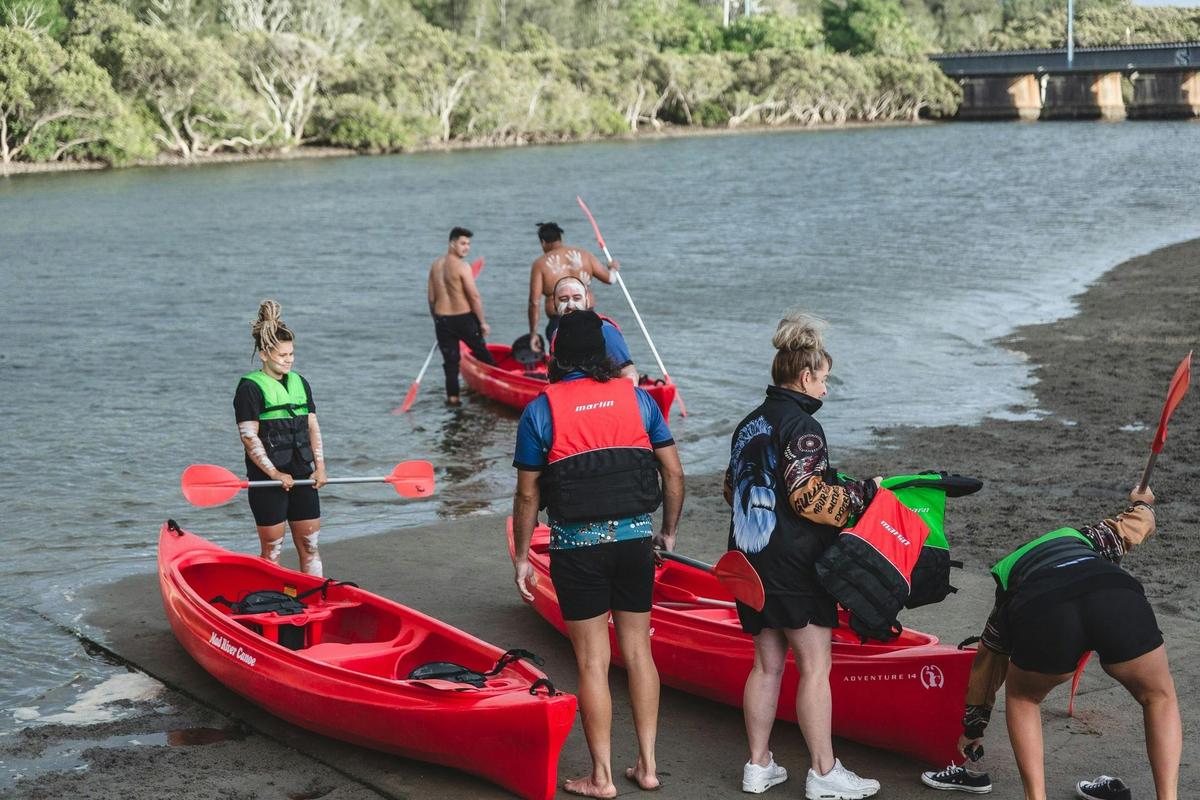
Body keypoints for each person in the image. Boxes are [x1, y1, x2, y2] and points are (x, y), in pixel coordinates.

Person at [510, 309, 685, 799]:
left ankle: (602, 777)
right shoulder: (638, 399)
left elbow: (527, 496)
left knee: (593, 663)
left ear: (558, 353)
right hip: (634, 544)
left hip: (577, 550)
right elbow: (673, 474)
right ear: (606, 355)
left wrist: (522, 557)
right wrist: (666, 534)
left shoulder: (541, 409)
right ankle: (648, 767)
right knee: (639, 652)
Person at [920, 486, 1179, 800]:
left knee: (1024, 699)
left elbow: (990, 660)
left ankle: (1037, 796)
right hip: (1114, 594)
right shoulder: (1087, 537)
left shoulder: (1009, 574)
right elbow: (1139, 524)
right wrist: (1143, 502)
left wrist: (974, 728)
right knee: (1159, 698)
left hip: (1045, 608)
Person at [724, 311, 881, 799]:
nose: (827, 390)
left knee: (766, 665)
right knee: (815, 667)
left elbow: (733, 489)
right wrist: (861, 497)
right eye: (825, 380)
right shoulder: (804, 428)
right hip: (795, 566)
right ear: (806, 376)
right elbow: (809, 499)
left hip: (749, 560)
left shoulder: (748, 424)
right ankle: (823, 772)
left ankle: (758, 766)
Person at [234, 300, 327, 576]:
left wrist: (320, 467)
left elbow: (313, 427)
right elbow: (249, 438)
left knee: (310, 546)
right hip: (267, 481)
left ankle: (314, 597)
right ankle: (271, 602)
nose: (289, 360)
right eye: (282, 355)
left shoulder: (301, 383)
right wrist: (274, 473)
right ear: (264, 355)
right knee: (272, 551)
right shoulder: (250, 389)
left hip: (302, 475)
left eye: (291, 354)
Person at [428, 226, 494, 406]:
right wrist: (482, 322)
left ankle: (453, 399)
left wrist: (437, 320)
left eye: (469, 244)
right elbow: (474, 296)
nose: (467, 248)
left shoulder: (435, 266)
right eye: (463, 243)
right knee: (483, 354)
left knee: (451, 363)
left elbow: (432, 298)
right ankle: (498, 388)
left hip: (442, 319)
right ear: (452, 243)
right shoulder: (462, 266)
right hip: (463, 319)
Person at [528, 221, 616, 351]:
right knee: (591, 354)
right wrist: (612, 268)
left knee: (563, 359)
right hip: (588, 317)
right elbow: (610, 279)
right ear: (560, 238)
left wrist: (533, 333)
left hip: (560, 321)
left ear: (543, 242)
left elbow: (534, 302)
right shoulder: (585, 255)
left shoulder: (540, 264)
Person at [548, 275, 637, 381]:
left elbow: (629, 375)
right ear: (554, 304)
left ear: (587, 300)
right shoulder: (557, 334)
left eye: (577, 298)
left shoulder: (604, 329)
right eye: (563, 299)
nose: (570, 305)